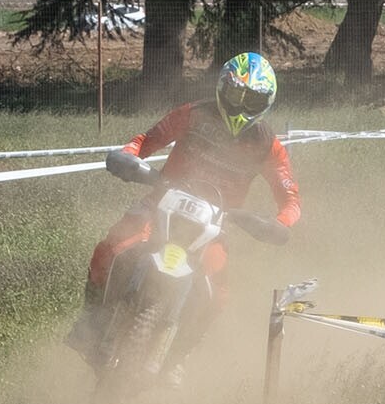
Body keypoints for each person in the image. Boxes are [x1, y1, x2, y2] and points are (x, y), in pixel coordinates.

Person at [67, 51, 302, 371]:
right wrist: (127, 156)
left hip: (215, 222)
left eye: (252, 100)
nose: (240, 106)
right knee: (111, 248)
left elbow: (290, 198)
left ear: (266, 104)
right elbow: (146, 140)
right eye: (236, 94)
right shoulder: (193, 114)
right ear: (222, 88)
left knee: (218, 295)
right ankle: (89, 322)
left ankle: (176, 359)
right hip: (162, 200)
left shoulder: (267, 145)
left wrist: (279, 223)